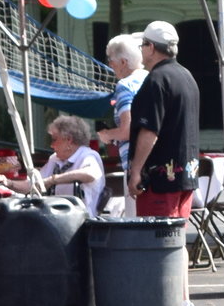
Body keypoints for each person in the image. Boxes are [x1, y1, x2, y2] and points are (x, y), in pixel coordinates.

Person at [125, 22, 198, 220]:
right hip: (186, 175)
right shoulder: (186, 76)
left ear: (151, 48)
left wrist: (136, 171)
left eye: (142, 45)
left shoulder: (156, 80)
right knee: (176, 241)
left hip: (160, 182)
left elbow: (149, 131)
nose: (141, 50)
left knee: (157, 243)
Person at [34, 115, 107, 213]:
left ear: (69, 140)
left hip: (83, 222)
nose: (51, 145)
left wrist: (53, 180)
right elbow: (34, 184)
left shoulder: (87, 155)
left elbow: (91, 173)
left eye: (54, 139)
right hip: (57, 219)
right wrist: (9, 183)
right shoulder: (54, 159)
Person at [105, 34, 147, 175]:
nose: (110, 65)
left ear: (123, 62)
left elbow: (127, 130)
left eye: (111, 60)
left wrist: (107, 135)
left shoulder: (125, 85)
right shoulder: (151, 78)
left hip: (136, 164)